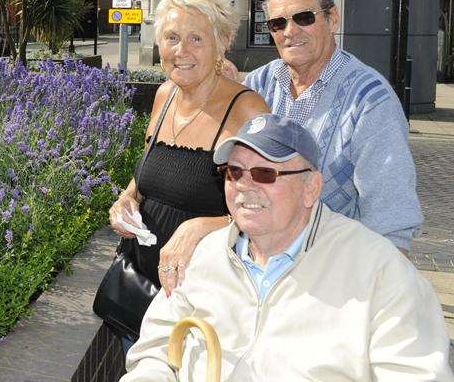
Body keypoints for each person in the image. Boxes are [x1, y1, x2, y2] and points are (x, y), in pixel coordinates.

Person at [120, 114, 452, 381]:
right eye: (234, 172)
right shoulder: (205, 254)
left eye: (265, 173)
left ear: (311, 187)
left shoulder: (380, 272)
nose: (243, 186)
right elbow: (155, 348)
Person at [106, 0, 269, 352]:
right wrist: (127, 198)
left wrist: (207, 226)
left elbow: (274, 206)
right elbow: (149, 173)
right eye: (172, 37)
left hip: (205, 312)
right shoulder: (164, 96)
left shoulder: (247, 111)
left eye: (196, 38)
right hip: (140, 291)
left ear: (222, 43)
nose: (182, 51)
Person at [243, 0, 422, 250]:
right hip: (257, 260)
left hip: (332, 266)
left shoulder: (369, 100)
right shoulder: (257, 85)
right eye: (278, 23)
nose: (290, 31)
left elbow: (390, 216)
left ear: (332, 18)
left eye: (303, 17)